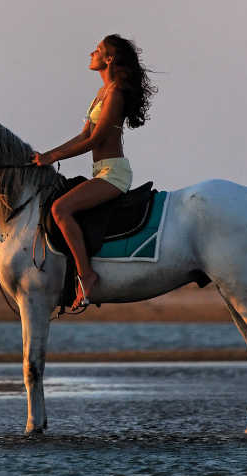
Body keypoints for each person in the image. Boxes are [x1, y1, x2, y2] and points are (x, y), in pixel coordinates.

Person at [33, 34, 155, 309]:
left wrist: (52, 157)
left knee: (60, 210)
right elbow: (83, 134)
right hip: (101, 171)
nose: (92, 53)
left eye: (98, 50)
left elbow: (94, 141)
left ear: (109, 59)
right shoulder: (102, 92)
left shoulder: (115, 93)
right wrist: (47, 155)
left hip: (114, 174)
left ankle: (86, 275)